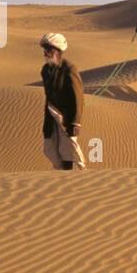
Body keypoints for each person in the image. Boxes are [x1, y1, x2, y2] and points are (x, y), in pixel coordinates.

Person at [40, 32, 85, 170]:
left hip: (66, 118)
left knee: (68, 151)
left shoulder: (69, 69)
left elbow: (77, 98)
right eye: (45, 49)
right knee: (50, 148)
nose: (46, 53)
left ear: (58, 51)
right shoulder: (46, 70)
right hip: (52, 116)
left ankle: (73, 179)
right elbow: (48, 97)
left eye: (49, 49)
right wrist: (46, 124)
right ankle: (61, 176)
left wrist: (74, 123)